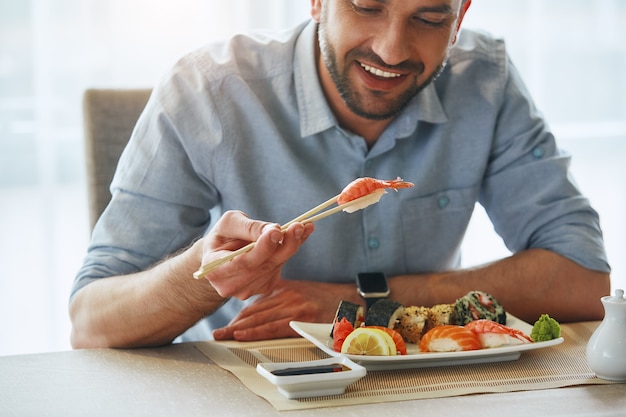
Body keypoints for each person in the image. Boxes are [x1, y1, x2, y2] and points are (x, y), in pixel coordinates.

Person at [70, 0, 611, 349]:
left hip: (432, 389)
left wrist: (369, 302)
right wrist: (207, 275)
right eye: (366, 6)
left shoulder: (486, 80)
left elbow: (585, 280)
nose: (391, 50)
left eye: (429, 18)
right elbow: (92, 323)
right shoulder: (208, 90)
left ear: (461, 15)